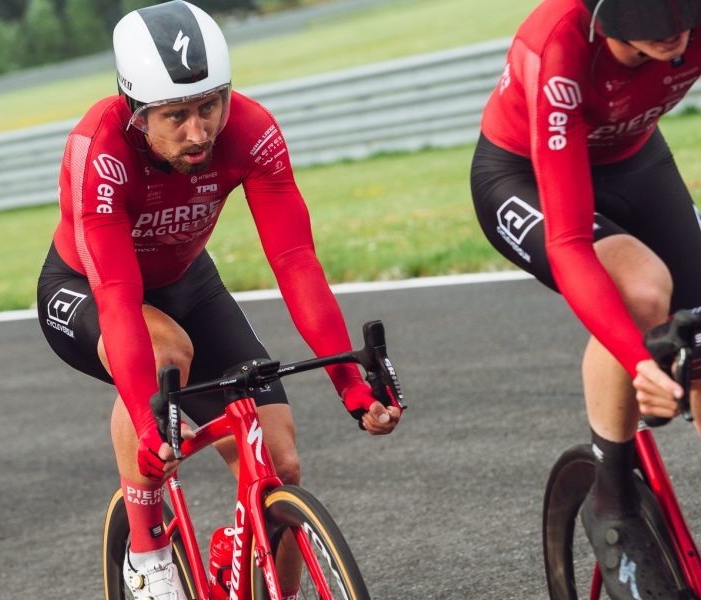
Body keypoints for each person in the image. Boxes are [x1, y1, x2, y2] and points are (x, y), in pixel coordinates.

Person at [36, 1, 402, 598]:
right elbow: (119, 298)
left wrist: (350, 384)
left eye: (210, 105)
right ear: (134, 110)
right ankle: (149, 552)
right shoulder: (97, 154)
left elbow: (296, 263)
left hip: (190, 284)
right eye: (175, 115)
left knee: (281, 467)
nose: (199, 131)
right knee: (164, 355)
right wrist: (152, 423)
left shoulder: (252, 130)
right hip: (88, 291)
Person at [471, 0, 701, 596]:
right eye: (655, 30)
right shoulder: (560, 46)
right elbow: (570, 243)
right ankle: (613, 495)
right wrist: (639, 361)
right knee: (643, 292)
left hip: (635, 162)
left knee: (700, 337)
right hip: (522, 174)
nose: (678, 37)